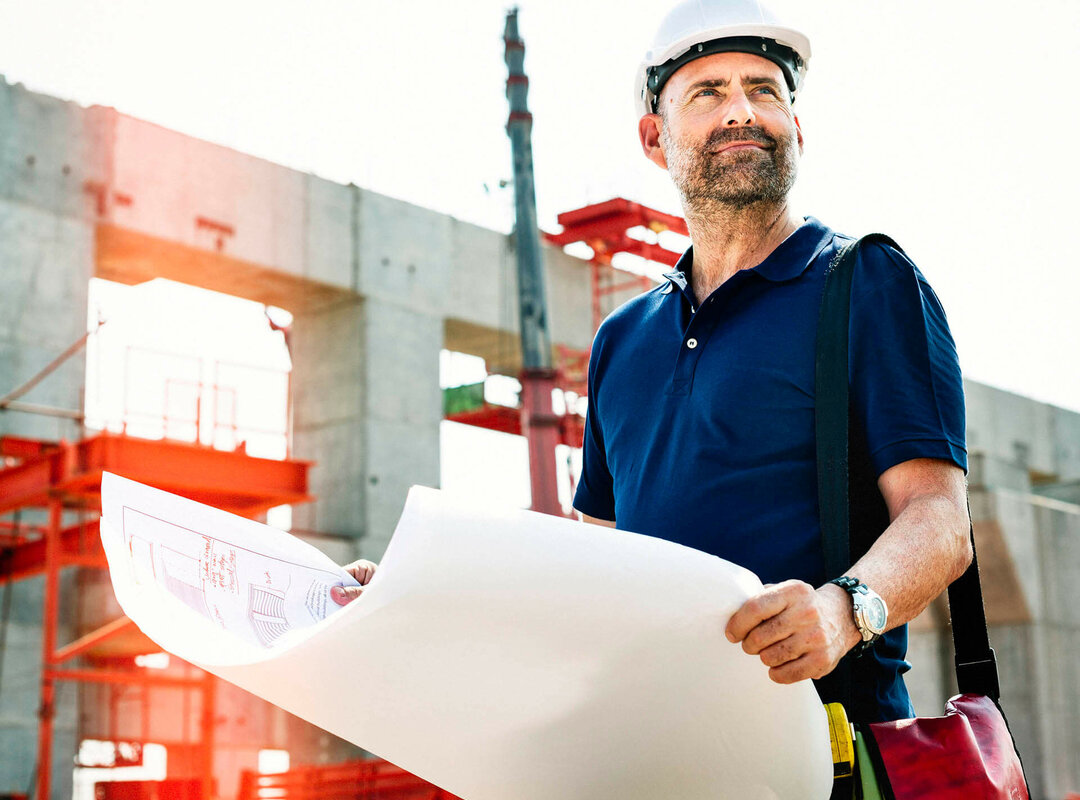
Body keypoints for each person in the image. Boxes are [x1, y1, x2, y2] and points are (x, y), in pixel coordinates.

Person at [570, 0, 971, 723]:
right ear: (653, 137)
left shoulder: (868, 283)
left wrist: (843, 612)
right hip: (656, 748)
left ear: (797, 128)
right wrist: (419, 592)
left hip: (828, 753)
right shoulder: (621, 343)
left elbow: (939, 519)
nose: (740, 112)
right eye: (707, 91)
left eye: (764, 89)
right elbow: (590, 566)